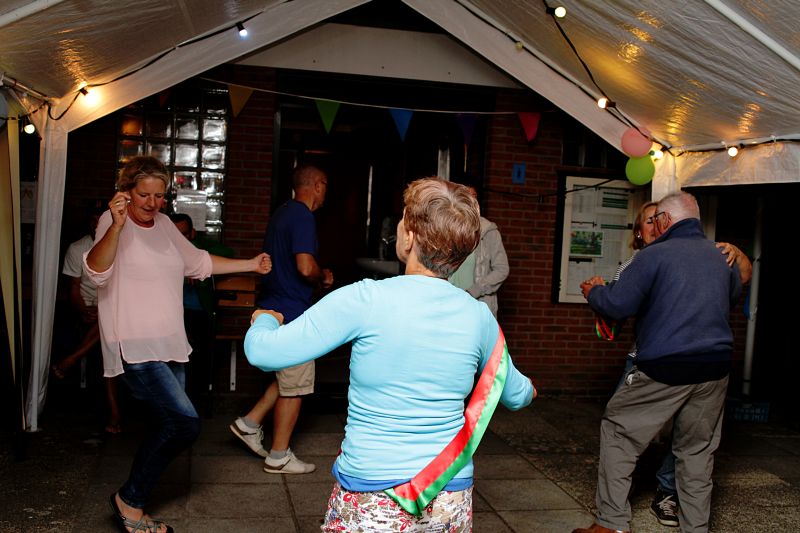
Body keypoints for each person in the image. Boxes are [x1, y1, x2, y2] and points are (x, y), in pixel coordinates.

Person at [244, 177, 535, 531]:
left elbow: (262, 352)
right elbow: (517, 394)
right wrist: (531, 389)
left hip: (373, 494)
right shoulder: (479, 317)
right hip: (448, 494)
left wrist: (265, 319)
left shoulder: (366, 299)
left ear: (409, 237)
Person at [84, 155, 271, 533]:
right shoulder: (112, 222)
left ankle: (134, 498)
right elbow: (96, 272)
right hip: (135, 345)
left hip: (170, 345)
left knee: (169, 425)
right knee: (184, 424)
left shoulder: (166, 225)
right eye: (144, 195)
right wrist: (116, 226)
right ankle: (130, 501)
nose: (153, 203)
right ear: (126, 192)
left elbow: (197, 262)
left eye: (160, 195)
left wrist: (250, 264)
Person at [573, 191, 743, 533]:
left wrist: (594, 293)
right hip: (715, 369)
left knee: (618, 432)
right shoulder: (720, 257)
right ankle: (696, 528)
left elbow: (618, 304)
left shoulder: (654, 255)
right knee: (696, 452)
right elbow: (733, 295)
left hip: (667, 365)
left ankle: (611, 524)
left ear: (665, 220)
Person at [229, 163, 333, 474]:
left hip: (273, 307)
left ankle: (249, 424)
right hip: (293, 312)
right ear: (318, 185)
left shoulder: (282, 212)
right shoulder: (303, 215)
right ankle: (279, 456)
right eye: (325, 187)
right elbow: (305, 266)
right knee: (296, 387)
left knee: (286, 376)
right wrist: (323, 276)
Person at [53, 202, 122, 434]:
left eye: (100, 219)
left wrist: (103, 312)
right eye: (92, 219)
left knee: (109, 337)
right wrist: (83, 310)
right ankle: (114, 413)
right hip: (86, 307)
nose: (96, 224)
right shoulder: (77, 248)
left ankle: (72, 359)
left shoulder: (120, 245)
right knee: (106, 340)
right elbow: (74, 288)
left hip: (112, 309)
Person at [169, 212, 234, 406]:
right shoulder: (164, 252)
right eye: (175, 234)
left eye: (184, 234)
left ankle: (191, 401)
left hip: (199, 314)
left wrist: (195, 260)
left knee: (201, 350)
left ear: (192, 233)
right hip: (172, 315)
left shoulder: (199, 247)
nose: (180, 239)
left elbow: (228, 253)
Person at [448, 186, 509, 317]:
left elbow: (502, 269)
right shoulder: (447, 228)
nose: (469, 202)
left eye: (473, 198)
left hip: (476, 305)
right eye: (464, 197)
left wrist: (475, 290)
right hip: (450, 304)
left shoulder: (488, 231)